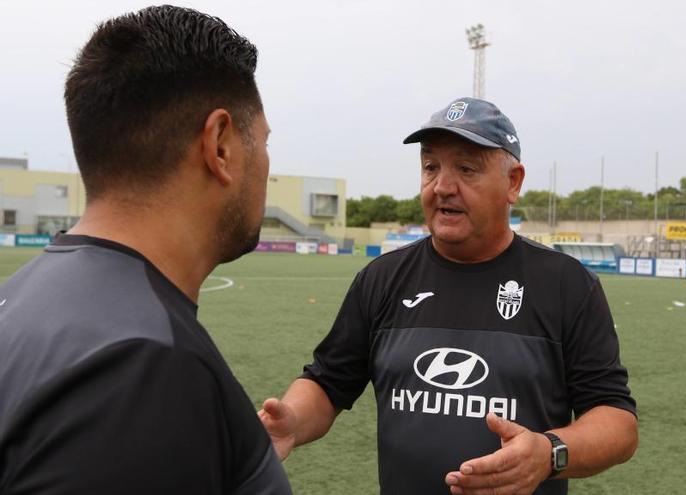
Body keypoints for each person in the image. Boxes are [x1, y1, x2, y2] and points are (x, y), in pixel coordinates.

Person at [260, 97, 638, 494]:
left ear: (513, 182)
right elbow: (328, 382)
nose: (442, 186)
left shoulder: (566, 285)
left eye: (466, 168)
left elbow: (617, 422)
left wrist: (548, 453)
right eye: (430, 167)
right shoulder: (382, 279)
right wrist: (292, 421)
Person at [0, 6, 290, 494]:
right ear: (219, 145)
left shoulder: (18, 297)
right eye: (260, 141)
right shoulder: (143, 366)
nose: (266, 164)